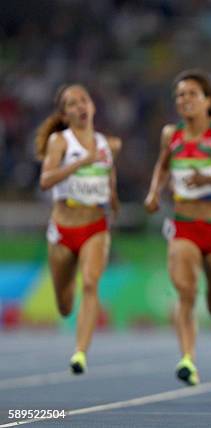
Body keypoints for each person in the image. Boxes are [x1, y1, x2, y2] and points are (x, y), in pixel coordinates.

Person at [144, 69, 211, 386]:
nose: (185, 100)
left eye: (192, 94)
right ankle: (187, 359)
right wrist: (153, 192)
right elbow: (162, 166)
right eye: (180, 95)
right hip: (185, 225)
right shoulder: (170, 134)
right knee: (186, 292)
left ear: (208, 101)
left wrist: (208, 180)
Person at [36, 84, 121, 374]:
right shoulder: (60, 142)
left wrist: (113, 196)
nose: (80, 106)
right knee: (64, 305)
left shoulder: (104, 144)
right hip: (63, 229)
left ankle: (80, 353)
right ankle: (65, 286)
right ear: (65, 113)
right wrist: (81, 162)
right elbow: (45, 181)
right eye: (72, 104)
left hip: (95, 226)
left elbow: (108, 174)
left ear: (93, 106)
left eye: (84, 100)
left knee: (90, 283)